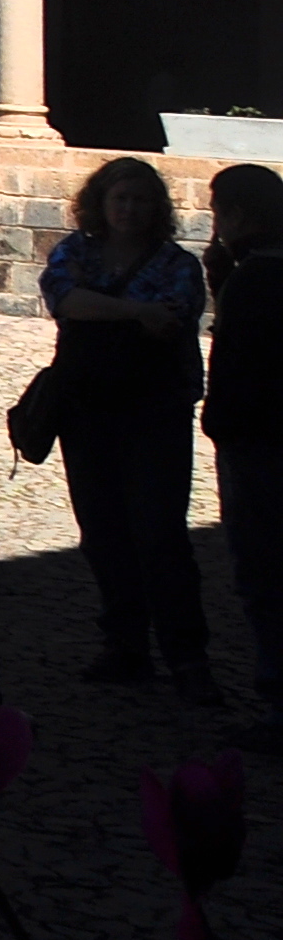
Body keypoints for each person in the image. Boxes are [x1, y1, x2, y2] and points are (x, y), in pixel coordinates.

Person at [46, 154, 217, 697]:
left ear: (157, 208)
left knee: (161, 532)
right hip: (87, 408)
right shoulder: (75, 251)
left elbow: (173, 317)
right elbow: (64, 300)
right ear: (100, 203)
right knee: (103, 531)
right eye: (120, 198)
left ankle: (186, 654)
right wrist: (135, 314)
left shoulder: (178, 264)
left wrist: (111, 312)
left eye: (140, 199)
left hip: (154, 412)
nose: (129, 208)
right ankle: (125, 643)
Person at [204, 162, 283, 744]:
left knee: (264, 573)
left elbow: (235, 369)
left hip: (258, 444)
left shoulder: (255, 279)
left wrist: (219, 426)